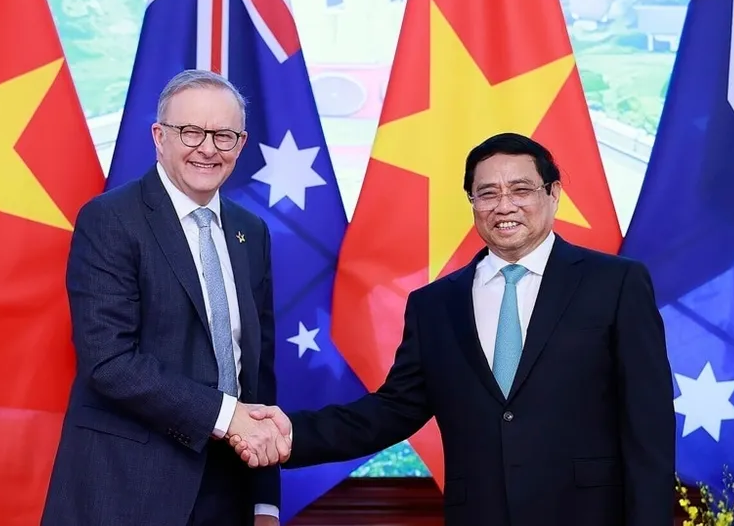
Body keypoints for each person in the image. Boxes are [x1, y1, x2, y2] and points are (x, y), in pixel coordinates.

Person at [233, 133, 676, 525]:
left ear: (553, 193)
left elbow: (648, 428)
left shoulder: (616, 284)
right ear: (472, 203)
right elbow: (391, 411)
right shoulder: (435, 305)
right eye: (487, 193)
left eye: (521, 189)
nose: (504, 205)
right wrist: (288, 435)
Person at [42, 69, 289, 526]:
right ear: (159, 137)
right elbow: (109, 361)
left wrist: (264, 500)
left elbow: (257, 372)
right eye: (191, 132)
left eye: (224, 135)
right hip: (128, 489)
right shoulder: (110, 220)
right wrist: (226, 415)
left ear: (241, 144)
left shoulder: (250, 233)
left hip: (229, 490)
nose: (208, 148)